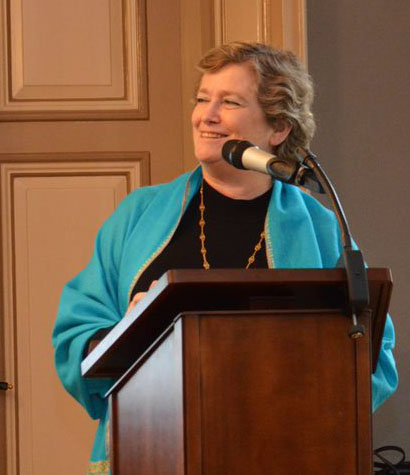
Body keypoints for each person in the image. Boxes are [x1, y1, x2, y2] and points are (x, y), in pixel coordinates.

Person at [52, 42, 398, 474]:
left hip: (283, 454)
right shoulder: (139, 214)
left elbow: (373, 354)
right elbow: (75, 335)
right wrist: (126, 330)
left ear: (278, 129)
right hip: (151, 450)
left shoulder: (318, 226)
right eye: (202, 99)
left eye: (230, 102)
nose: (206, 116)